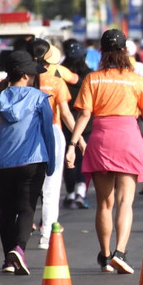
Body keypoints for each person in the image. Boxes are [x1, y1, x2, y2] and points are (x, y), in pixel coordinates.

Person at [65, 29, 143, 274]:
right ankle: (121, 252)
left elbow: (84, 114)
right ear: (125, 50)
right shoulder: (136, 80)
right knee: (125, 201)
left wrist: (72, 145)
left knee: (104, 204)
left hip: (101, 139)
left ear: (102, 52)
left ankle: (105, 256)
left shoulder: (93, 79)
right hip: (128, 139)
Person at [0, 51, 56, 276]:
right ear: (28, 75)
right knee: (27, 207)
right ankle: (19, 248)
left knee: (6, 211)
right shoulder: (39, 98)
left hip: (1, 162)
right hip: (33, 160)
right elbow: (48, 131)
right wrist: (52, 162)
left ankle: (8, 259)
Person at [28, 39, 77, 250]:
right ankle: (46, 234)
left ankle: (19, 238)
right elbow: (65, 114)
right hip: (53, 133)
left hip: (27, 134)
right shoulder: (56, 82)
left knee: (29, 185)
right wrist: (78, 138)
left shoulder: (24, 79)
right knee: (51, 187)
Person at [60, 40, 91, 209]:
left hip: (66, 122)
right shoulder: (90, 76)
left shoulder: (61, 76)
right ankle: (81, 192)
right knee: (83, 158)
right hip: (86, 122)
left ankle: (70, 193)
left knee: (69, 159)